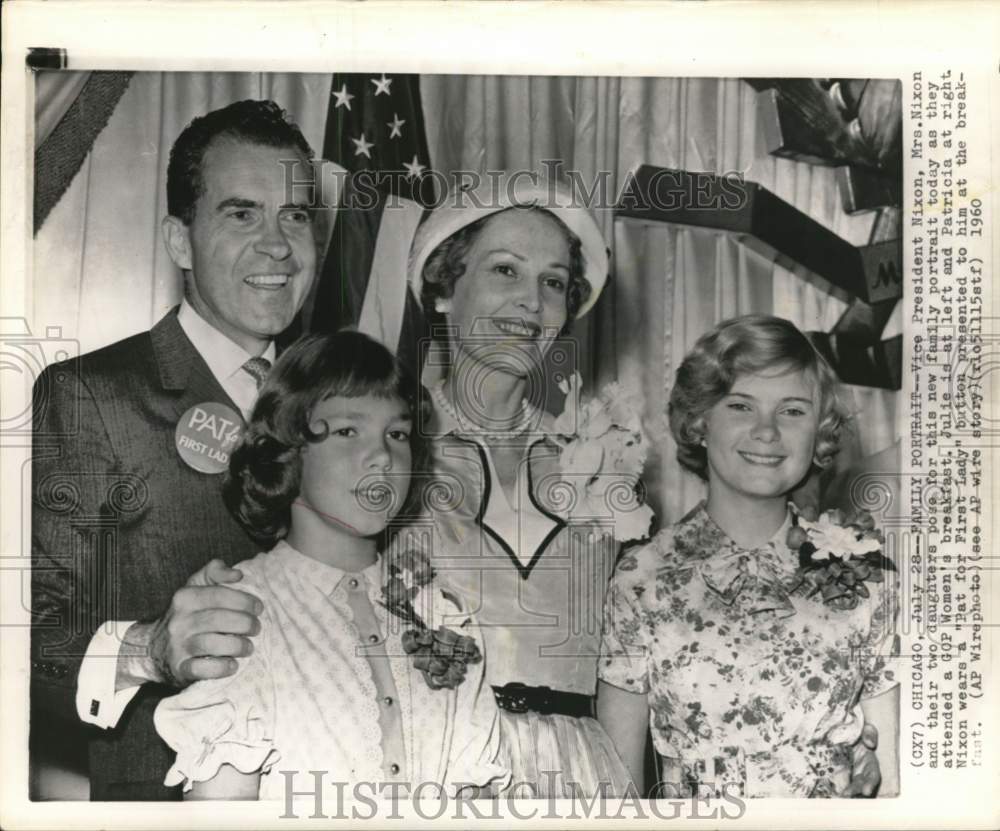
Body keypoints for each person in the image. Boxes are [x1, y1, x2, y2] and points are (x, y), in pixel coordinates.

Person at [31, 99, 319, 800]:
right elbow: (29, 637)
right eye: (241, 213)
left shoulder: (342, 401)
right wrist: (149, 648)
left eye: (296, 216)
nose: (278, 245)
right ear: (180, 240)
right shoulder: (91, 395)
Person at [153, 331, 507, 799]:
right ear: (285, 452)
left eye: (397, 434)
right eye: (347, 431)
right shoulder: (244, 614)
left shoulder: (442, 612)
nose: (382, 455)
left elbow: (476, 804)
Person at [406, 177, 646, 797]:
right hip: (434, 772)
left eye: (553, 282)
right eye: (505, 271)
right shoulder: (387, 452)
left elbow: (630, 671)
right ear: (442, 289)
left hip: (581, 782)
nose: (531, 304)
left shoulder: (601, 462)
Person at [598, 315, 899, 798]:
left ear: (819, 431)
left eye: (793, 411)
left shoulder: (867, 575)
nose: (767, 431)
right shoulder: (642, 577)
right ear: (699, 422)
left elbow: (892, 785)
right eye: (741, 405)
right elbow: (617, 788)